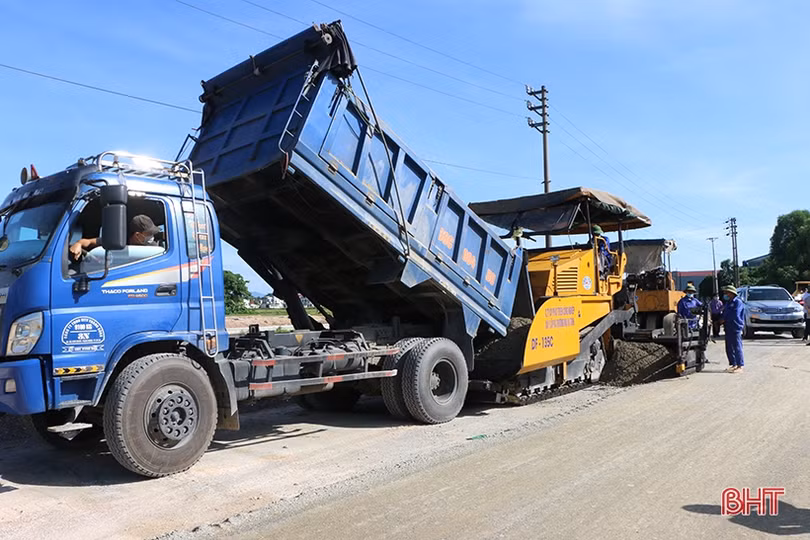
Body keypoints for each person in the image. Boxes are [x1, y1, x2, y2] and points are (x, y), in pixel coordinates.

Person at [69, 214, 160, 261]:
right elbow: (88, 242)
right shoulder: (117, 241)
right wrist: (78, 244)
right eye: (149, 234)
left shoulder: (153, 248)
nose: (151, 237)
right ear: (137, 235)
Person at [722, 285, 745, 373]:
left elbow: (735, 314)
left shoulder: (738, 302)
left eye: (726, 293)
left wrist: (725, 319)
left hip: (735, 326)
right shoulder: (728, 303)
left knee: (737, 346)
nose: (725, 294)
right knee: (729, 347)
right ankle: (733, 364)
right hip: (728, 326)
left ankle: (740, 365)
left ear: (731, 293)